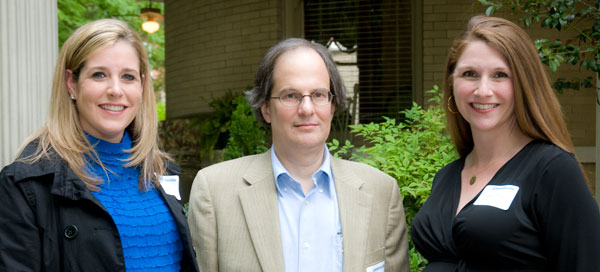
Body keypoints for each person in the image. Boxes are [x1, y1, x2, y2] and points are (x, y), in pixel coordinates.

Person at [187, 38, 410, 272]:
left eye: (318, 95)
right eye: (291, 95)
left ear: (332, 106)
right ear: (266, 109)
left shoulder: (381, 192)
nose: (306, 109)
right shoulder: (215, 192)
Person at [0, 19, 198, 271]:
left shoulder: (163, 170)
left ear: (142, 85)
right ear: (72, 83)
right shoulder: (27, 183)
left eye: (128, 76)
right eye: (99, 74)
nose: (115, 90)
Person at [410, 15, 600, 271]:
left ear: (524, 85)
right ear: (451, 83)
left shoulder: (552, 170)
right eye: (469, 74)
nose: (483, 90)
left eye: (500, 75)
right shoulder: (446, 177)